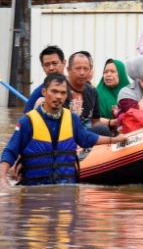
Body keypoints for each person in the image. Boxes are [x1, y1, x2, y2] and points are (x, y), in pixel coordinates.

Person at [0, 74, 128, 187]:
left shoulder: (72, 119)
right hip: (34, 189)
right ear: (44, 92)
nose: (58, 96)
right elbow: (10, 151)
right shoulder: (27, 121)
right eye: (54, 91)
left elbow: (86, 138)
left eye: (62, 93)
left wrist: (114, 139)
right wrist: (2, 179)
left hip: (66, 188)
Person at [65, 51, 110, 136]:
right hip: (65, 137)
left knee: (103, 130)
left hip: (86, 136)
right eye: (78, 68)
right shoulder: (61, 90)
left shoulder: (92, 91)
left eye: (86, 69)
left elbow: (96, 121)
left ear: (90, 70)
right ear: (69, 70)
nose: (82, 73)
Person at [24, 45, 67, 113]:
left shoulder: (75, 86)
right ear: (42, 67)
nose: (51, 68)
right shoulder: (38, 94)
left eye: (54, 63)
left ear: (64, 63)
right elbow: (26, 120)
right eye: (46, 65)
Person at [96, 59, 130, 133]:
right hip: (106, 137)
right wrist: (112, 122)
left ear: (121, 74)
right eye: (105, 72)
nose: (108, 74)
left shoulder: (130, 92)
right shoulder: (98, 93)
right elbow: (93, 121)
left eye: (112, 71)